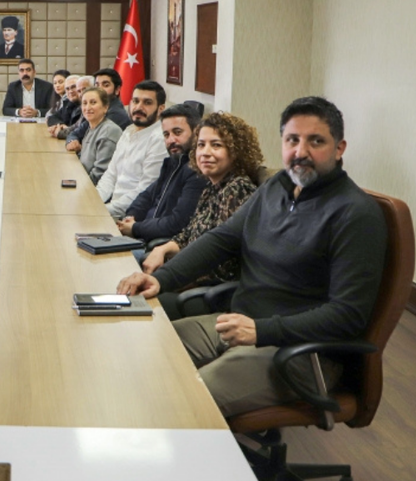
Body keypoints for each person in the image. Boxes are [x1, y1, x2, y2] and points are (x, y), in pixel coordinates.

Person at [117, 97, 387, 417]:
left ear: (339, 148)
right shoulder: (277, 187)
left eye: (316, 141)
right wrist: (160, 279)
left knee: (182, 402)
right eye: (292, 140)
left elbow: (348, 316)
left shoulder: (355, 214)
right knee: (137, 352)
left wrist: (261, 331)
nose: (301, 152)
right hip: (238, 325)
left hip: (300, 354)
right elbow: (222, 240)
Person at [140, 112, 263, 320]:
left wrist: (176, 276)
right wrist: (163, 249)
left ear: (236, 151)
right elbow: (189, 233)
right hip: (189, 277)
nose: (205, 153)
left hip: (214, 293)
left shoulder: (238, 189)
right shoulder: (211, 187)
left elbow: (224, 263)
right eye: (201, 145)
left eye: (216, 145)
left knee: (142, 304)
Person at [118, 104, 207, 246]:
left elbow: (177, 223)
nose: (171, 140)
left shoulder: (197, 171)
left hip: (159, 247)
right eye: (166, 135)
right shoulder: (172, 162)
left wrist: (135, 228)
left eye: (177, 132)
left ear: (196, 133)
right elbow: (146, 196)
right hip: (142, 236)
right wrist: (130, 218)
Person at [96, 80, 168, 218]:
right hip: (112, 208)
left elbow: (145, 190)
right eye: (135, 101)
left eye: (147, 103)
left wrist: (103, 211)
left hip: (132, 216)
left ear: (161, 109)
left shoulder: (159, 139)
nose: (138, 107)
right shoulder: (128, 131)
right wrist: (94, 202)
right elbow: (110, 175)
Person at [75, 87, 122, 184]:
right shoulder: (91, 126)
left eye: (93, 103)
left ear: (105, 107)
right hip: (82, 179)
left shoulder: (109, 131)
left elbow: (100, 174)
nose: (87, 108)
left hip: (94, 190)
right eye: (84, 103)